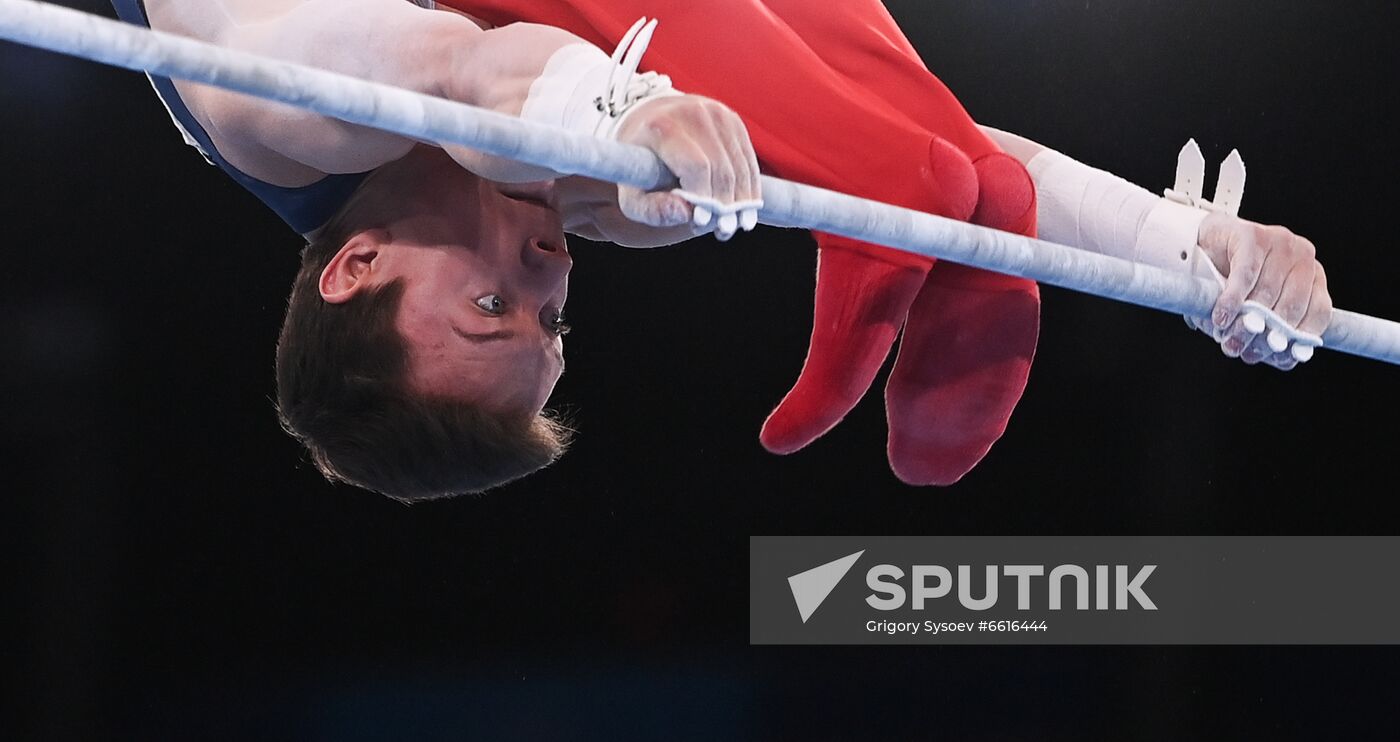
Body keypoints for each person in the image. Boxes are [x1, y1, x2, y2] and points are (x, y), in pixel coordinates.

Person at [114, 0, 1331, 501]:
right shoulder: (578, 195)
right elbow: (932, 144)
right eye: (553, 329)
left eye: (493, 302)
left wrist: (627, 113)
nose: (551, 284)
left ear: (353, 267)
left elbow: (461, 67)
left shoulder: (268, 114)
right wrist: (1194, 252)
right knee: (885, 152)